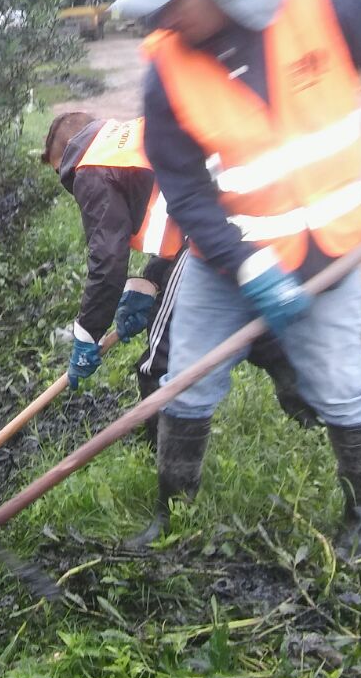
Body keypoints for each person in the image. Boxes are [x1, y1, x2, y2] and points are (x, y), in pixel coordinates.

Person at [113, 0, 361, 558]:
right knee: (186, 382)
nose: (162, 17)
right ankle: (173, 513)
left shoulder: (328, 0)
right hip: (225, 262)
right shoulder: (166, 70)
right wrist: (247, 263)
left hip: (325, 258)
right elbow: (184, 188)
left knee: (340, 386)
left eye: (174, 0)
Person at [41, 110, 317, 442]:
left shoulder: (89, 168)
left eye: (59, 172)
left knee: (160, 360)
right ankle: (318, 415)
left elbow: (107, 261)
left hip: (215, 234)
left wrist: (87, 334)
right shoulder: (126, 142)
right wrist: (148, 283)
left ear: (67, 154)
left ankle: (162, 454)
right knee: (256, 328)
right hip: (247, 220)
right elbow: (171, 213)